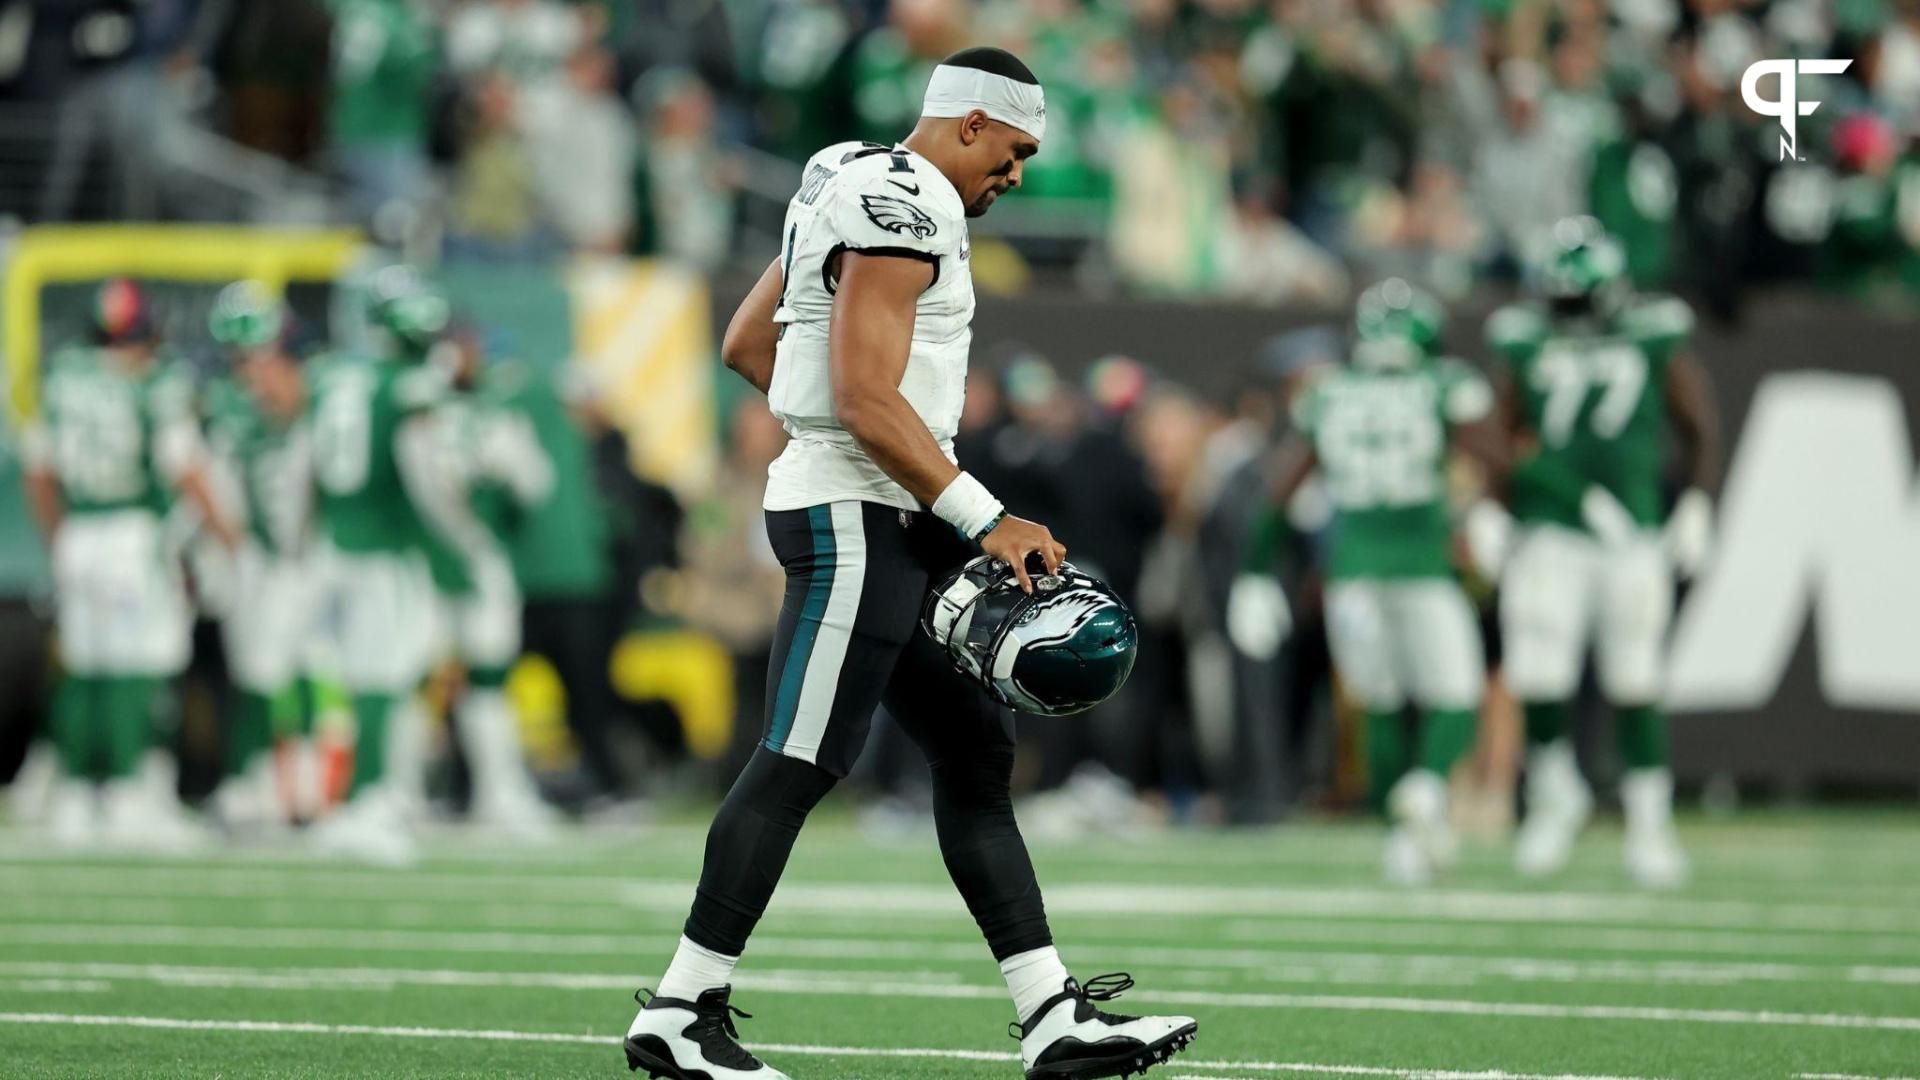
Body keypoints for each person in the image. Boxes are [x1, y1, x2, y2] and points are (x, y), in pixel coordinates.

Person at [623, 46, 1199, 1080]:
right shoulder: (909, 202)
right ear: (970, 123)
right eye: (1015, 151)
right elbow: (860, 395)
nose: (1018, 176)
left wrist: (844, 437)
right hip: (860, 515)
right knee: (801, 758)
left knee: (976, 761)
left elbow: (751, 343)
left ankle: (1052, 1018)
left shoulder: (850, 174)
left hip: (885, 505)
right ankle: (680, 1006)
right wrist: (981, 514)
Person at [1484, 217, 1721, 889]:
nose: (1569, 312)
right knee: (1538, 673)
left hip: (1631, 534)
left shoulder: (1653, 334)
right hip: (1550, 532)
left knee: (1636, 680)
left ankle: (1650, 822)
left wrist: (1698, 501)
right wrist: (1491, 506)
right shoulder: (1525, 340)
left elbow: (1697, 421)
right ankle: (1556, 794)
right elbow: (1499, 434)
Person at [1247, 280, 1506, 884]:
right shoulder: (1446, 384)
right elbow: (1492, 457)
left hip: (1351, 573)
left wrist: (1256, 571)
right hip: (1421, 564)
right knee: (1458, 695)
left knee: (1379, 704)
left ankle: (1401, 843)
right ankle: (1427, 786)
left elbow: (1282, 489)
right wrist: (1489, 512)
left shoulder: (1330, 391)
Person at [20, 279, 238, 847]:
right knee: (136, 667)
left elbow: (38, 473)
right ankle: (125, 792)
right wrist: (227, 532)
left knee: (84, 668)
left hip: (79, 533)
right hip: (131, 534)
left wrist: (61, 539)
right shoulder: (156, 382)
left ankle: (74, 796)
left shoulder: (63, 376)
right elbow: (183, 466)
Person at [304, 267, 455, 864]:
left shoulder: (330, 376)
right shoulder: (403, 382)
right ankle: (363, 802)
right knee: (381, 679)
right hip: (384, 550)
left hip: (332, 545)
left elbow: (304, 468)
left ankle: (356, 800)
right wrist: (452, 543)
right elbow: (425, 478)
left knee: (346, 680)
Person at [203, 281, 316, 831]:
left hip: (296, 552)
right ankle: (253, 780)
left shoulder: (298, 389)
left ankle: (300, 783)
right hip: (250, 551)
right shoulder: (222, 399)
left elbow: (296, 408)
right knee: (256, 673)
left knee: (297, 670)